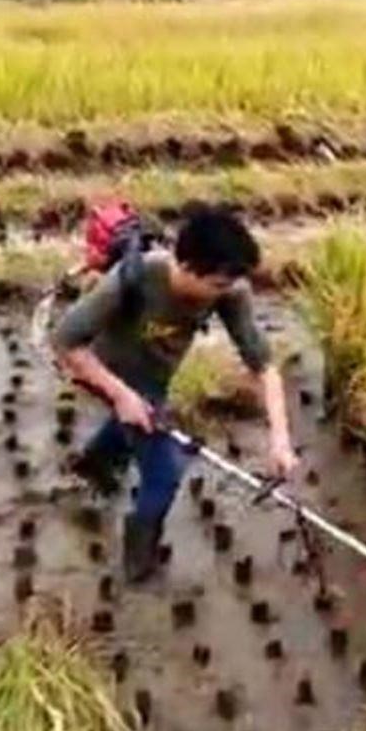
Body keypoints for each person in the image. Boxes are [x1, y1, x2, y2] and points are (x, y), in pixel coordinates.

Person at [53, 201, 298, 583]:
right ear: (186, 266)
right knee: (165, 472)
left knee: (139, 419)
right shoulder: (136, 276)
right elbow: (66, 342)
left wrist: (280, 441)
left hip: (153, 380)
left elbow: (264, 367)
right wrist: (121, 395)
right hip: (103, 371)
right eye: (217, 284)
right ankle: (138, 569)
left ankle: (94, 467)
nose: (225, 292)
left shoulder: (229, 293)